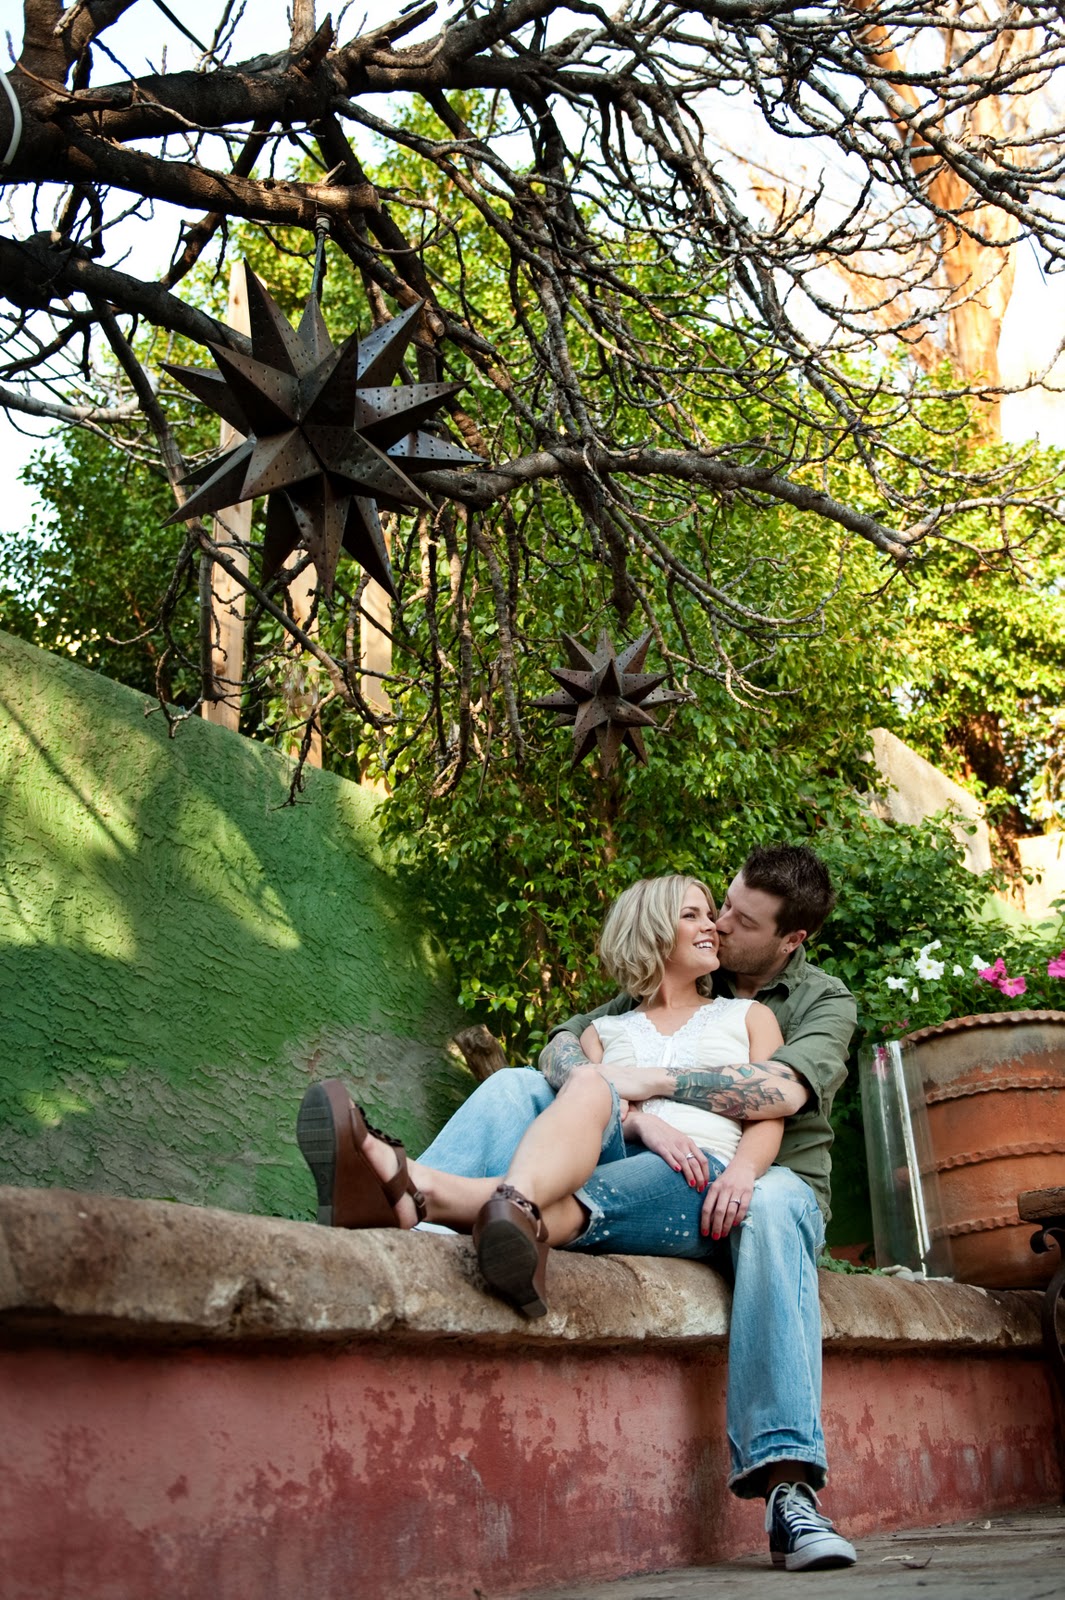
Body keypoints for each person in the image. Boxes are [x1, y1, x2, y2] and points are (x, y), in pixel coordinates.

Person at [300, 845, 858, 1572]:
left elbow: (778, 1094)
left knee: (770, 1202)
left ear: (790, 939)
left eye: (738, 920)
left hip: (757, 1177)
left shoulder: (809, 1003)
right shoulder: (652, 997)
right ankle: (421, 1219)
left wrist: (651, 1086)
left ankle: (788, 1488)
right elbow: (565, 1052)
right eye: (715, 906)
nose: (719, 924)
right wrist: (633, 1112)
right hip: (636, 1159)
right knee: (518, 1087)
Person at [297, 875, 786, 1317]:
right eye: (692, 915)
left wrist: (742, 1172)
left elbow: (769, 1114)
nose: (712, 926)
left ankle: (415, 1190)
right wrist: (640, 1121)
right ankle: (495, 1209)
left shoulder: (747, 1017)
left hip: (698, 1172)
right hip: (610, 1156)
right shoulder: (602, 1031)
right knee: (581, 1082)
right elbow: (591, 1110)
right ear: (653, 931)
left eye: (709, 914)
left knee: (594, 1132)